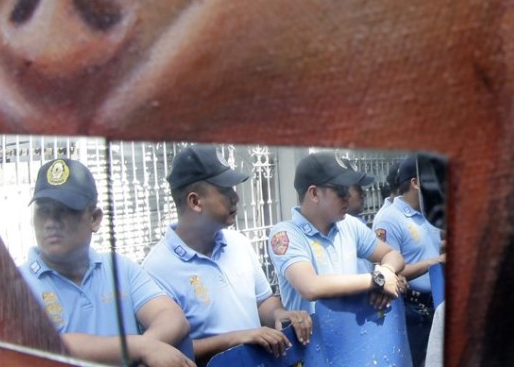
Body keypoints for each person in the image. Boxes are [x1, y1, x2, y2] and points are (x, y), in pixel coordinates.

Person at [142, 145, 313, 363]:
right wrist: (237, 339)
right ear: (195, 202)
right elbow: (164, 352)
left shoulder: (238, 243)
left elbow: (263, 302)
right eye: (225, 190)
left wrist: (280, 315)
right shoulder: (157, 269)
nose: (236, 197)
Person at [19, 157, 194, 367]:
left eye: (64, 210)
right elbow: (45, 345)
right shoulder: (15, 286)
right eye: (43, 211)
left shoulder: (118, 268)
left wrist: (147, 347)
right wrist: (141, 348)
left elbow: (171, 317)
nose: (50, 223)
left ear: (95, 218)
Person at [267, 151, 406, 316]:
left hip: (353, 333)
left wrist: (387, 270)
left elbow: (392, 254)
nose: (347, 196)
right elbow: (310, 287)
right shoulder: (286, 234)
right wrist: (377, 280)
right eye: (340, 190)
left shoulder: (349, 224)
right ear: (314, 193)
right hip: (313, 337)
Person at [372, 155, 445, 367]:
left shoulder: (430, 213)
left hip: (436, 304)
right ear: (416, 182)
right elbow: (390, 274)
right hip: (413, 311)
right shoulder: (389, 219)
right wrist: (436, 261)